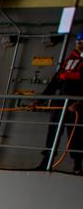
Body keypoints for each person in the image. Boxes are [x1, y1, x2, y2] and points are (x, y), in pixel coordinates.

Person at [36, 30, 83, 173]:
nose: (79, 46)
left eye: (81, 43)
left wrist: (79, 104)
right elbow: (55, 82)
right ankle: (46, 162)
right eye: (78, 43)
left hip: (75, 105)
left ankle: (77, 166)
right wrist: (40, 101)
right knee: (53, 131)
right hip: (61, 103)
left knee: (76, 135)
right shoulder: (69, 60)